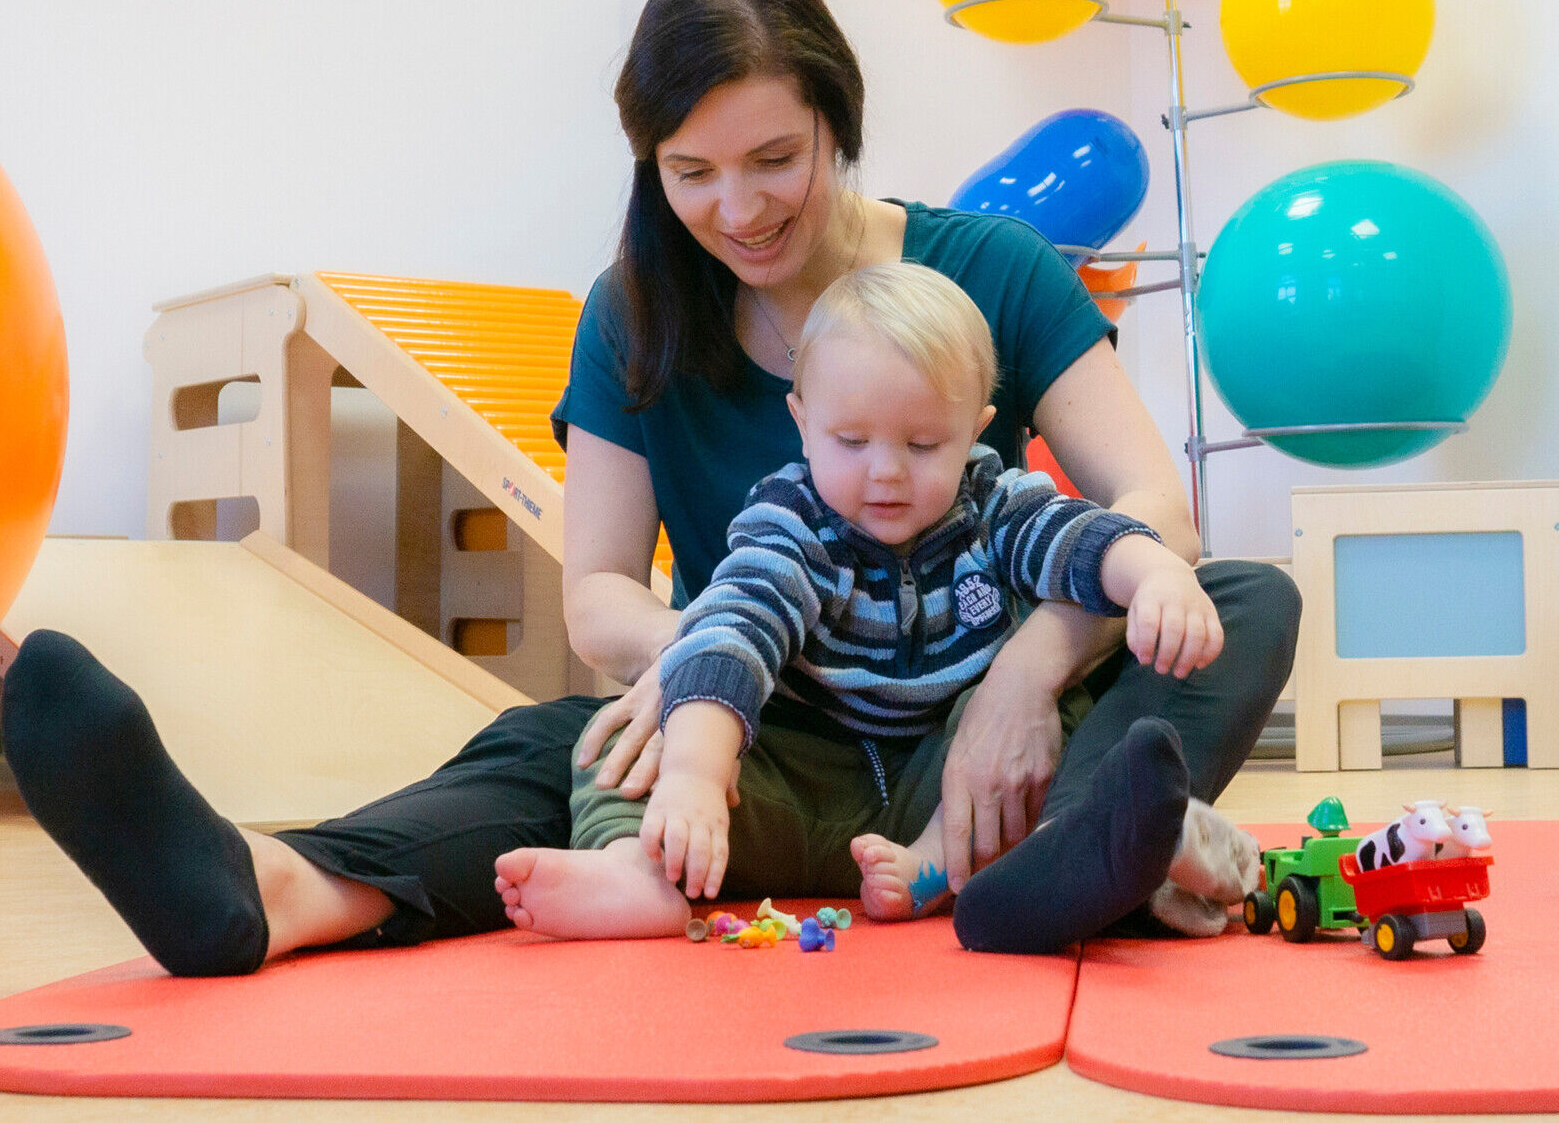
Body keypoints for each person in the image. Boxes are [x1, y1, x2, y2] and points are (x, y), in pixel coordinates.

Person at [0, 0, 1295, 975]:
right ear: (651, 165)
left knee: (1237, 599)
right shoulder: (636, 310)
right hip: (769, 734)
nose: (739, 210)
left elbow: (1150, 504)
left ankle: (1057, 849)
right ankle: (276, 888)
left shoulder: (984, 273)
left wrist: (1024, 672)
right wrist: (704, 689)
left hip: (977, 714)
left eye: (776, 159)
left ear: (839, 123)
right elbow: (601, 593)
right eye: (693, 172)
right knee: (567, 740)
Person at [494, 261, 1224, 942]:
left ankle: (938, 864)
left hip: (948, 780)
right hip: (806, 787)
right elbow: (735, 631)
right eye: (851, 440)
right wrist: (694, 780)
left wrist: (1155, 575)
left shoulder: (992, 507)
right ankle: (641, 870)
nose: (886, 473)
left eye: (923, 444)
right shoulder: (793, 524)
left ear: (974, 433)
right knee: (630, 747)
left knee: (1050, 704)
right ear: (802, 422)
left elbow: (1084, 540)